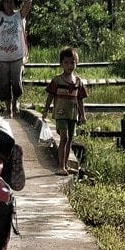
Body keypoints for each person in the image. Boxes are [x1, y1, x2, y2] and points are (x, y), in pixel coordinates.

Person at [42, 46, 87, 175]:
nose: (69, 66)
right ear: (61, 64)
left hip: (73, 115)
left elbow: (80, 100)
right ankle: (60, 166)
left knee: (70, 139)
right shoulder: (57, 80)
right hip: (60, 113)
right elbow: (50, 96)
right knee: (64, 138)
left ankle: (66, 165)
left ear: (76, 63)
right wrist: (45, 111)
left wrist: (83, 115)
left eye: (72, 62)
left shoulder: (78, 82)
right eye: (66, 63)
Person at [0, 0, 32, 118]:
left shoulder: (19, 16)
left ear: (14, 3)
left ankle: (15, 101)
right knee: (4, 84)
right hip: (1, 56)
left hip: (16, 55)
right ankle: (8, 108)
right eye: (6, 1)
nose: (8, 4)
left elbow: (29, 2)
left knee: (16, 82)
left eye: (11, 1)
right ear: (2, 3)